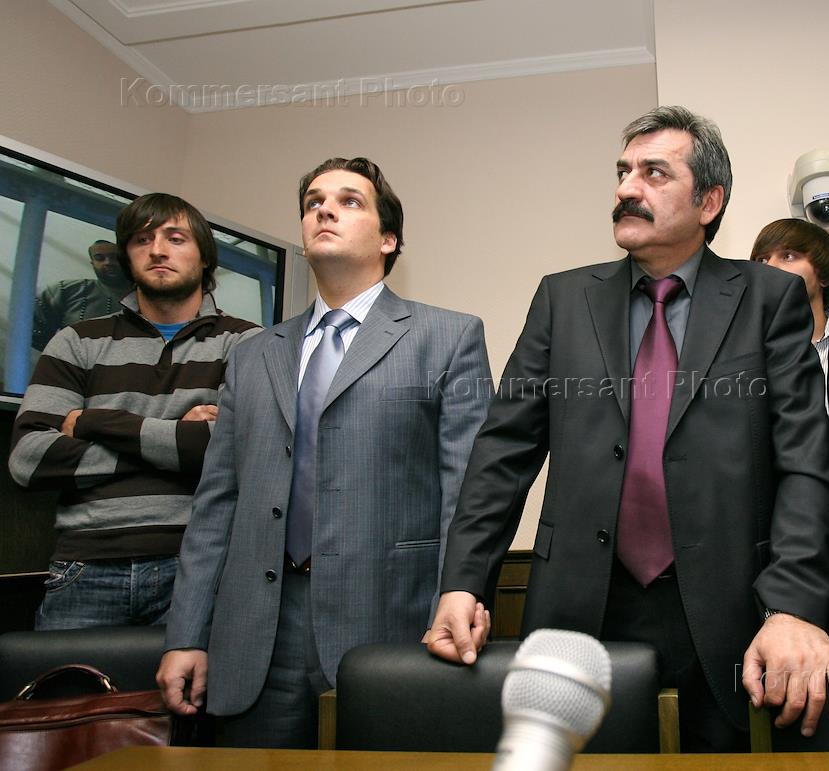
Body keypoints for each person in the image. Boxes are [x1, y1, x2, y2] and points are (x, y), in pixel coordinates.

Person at [427, 106, 829, 751]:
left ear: (709, 201)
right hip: (577, 609)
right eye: (623, 172)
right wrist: (463, 580)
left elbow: (805, 465)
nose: (627, 188)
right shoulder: (563, 299)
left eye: (654, 173)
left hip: (730, 611)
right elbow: (503, 451)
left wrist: (791, 605)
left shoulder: (768, 299)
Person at [157, 157, 493, 749]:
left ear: (388, 239)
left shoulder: (448, 337)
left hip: (390, 619)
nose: (324, 211)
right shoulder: (252, 354)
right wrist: (187, 633)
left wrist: (457, 596)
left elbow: (466, 493)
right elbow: (217, 503)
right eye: (313, 202)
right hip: (256, 632)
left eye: (349, 201)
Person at [9, 194, 260, 630]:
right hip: (85, 567)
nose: (158, 250)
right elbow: (29, 460)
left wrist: (94, 423)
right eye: (142, 240)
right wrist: (175, 439)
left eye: (175, 238)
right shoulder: (76, 341)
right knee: (69, 680)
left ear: (204, 256)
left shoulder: (245, 343)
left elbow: (230, 451)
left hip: (198, 564)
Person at [750, 218, 829, 645]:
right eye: (761, 260)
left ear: (822, 274)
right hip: (780, 561)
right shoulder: (743, 360)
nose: (771, 267)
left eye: (788, 255)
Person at [31, 240, 133, 350]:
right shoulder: (65, 291)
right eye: (99, 258)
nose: (108, 262)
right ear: (93, 263)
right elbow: (32, 334)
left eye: (115, 257)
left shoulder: (144, 295)